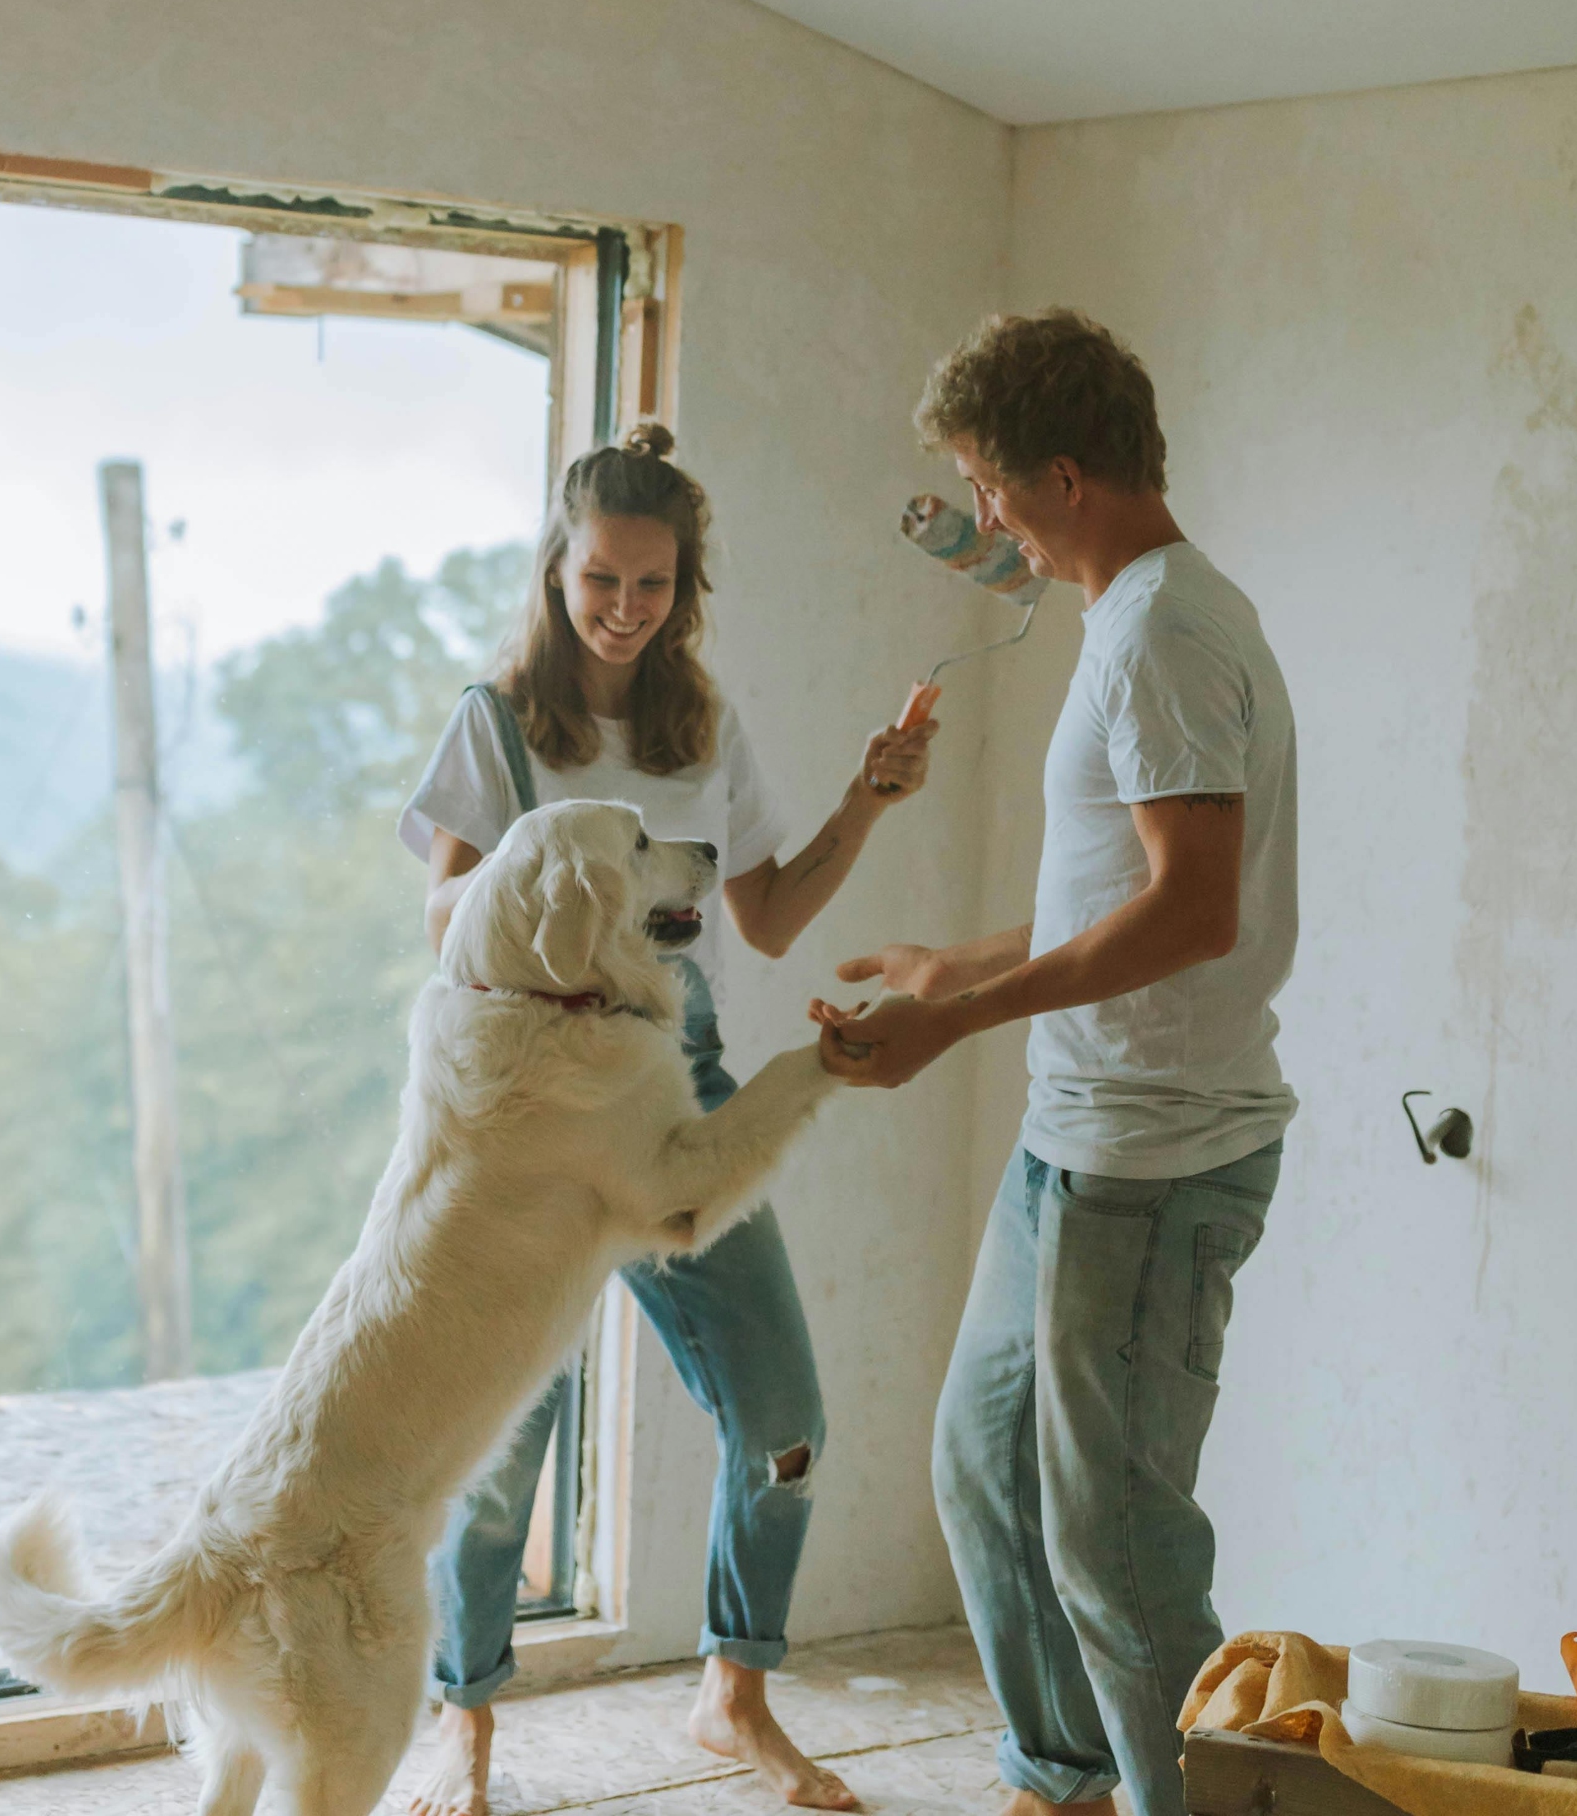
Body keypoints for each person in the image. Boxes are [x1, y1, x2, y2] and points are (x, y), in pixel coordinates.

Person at [397, 422, 936, 1816]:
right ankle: (464, 1722)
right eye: (601, 581)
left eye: (653, 584)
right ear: (558, 573)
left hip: (678, 1080)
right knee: (506, 1441)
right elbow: (444, 921)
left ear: (683, 586)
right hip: (533, 1102)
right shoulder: (496, 723)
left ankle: (731, 1695)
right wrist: (564, 871)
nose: (625, 608)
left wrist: (866, 805)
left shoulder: (705, 726)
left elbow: (763, 922)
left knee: (785, 1419)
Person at [814, 310, 1299, 1816]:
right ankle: (1065, 1782)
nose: (985, 519)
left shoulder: (1164, 628)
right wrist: (958, 965)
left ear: (1067, 476)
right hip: (1075, 1145)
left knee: (1122, 1551)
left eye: (989, 485)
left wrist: (958, 1025)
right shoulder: (1138, 617)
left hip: (1153, 1164)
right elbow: (1125, 893)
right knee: (984, 1468)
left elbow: (1196, 912)